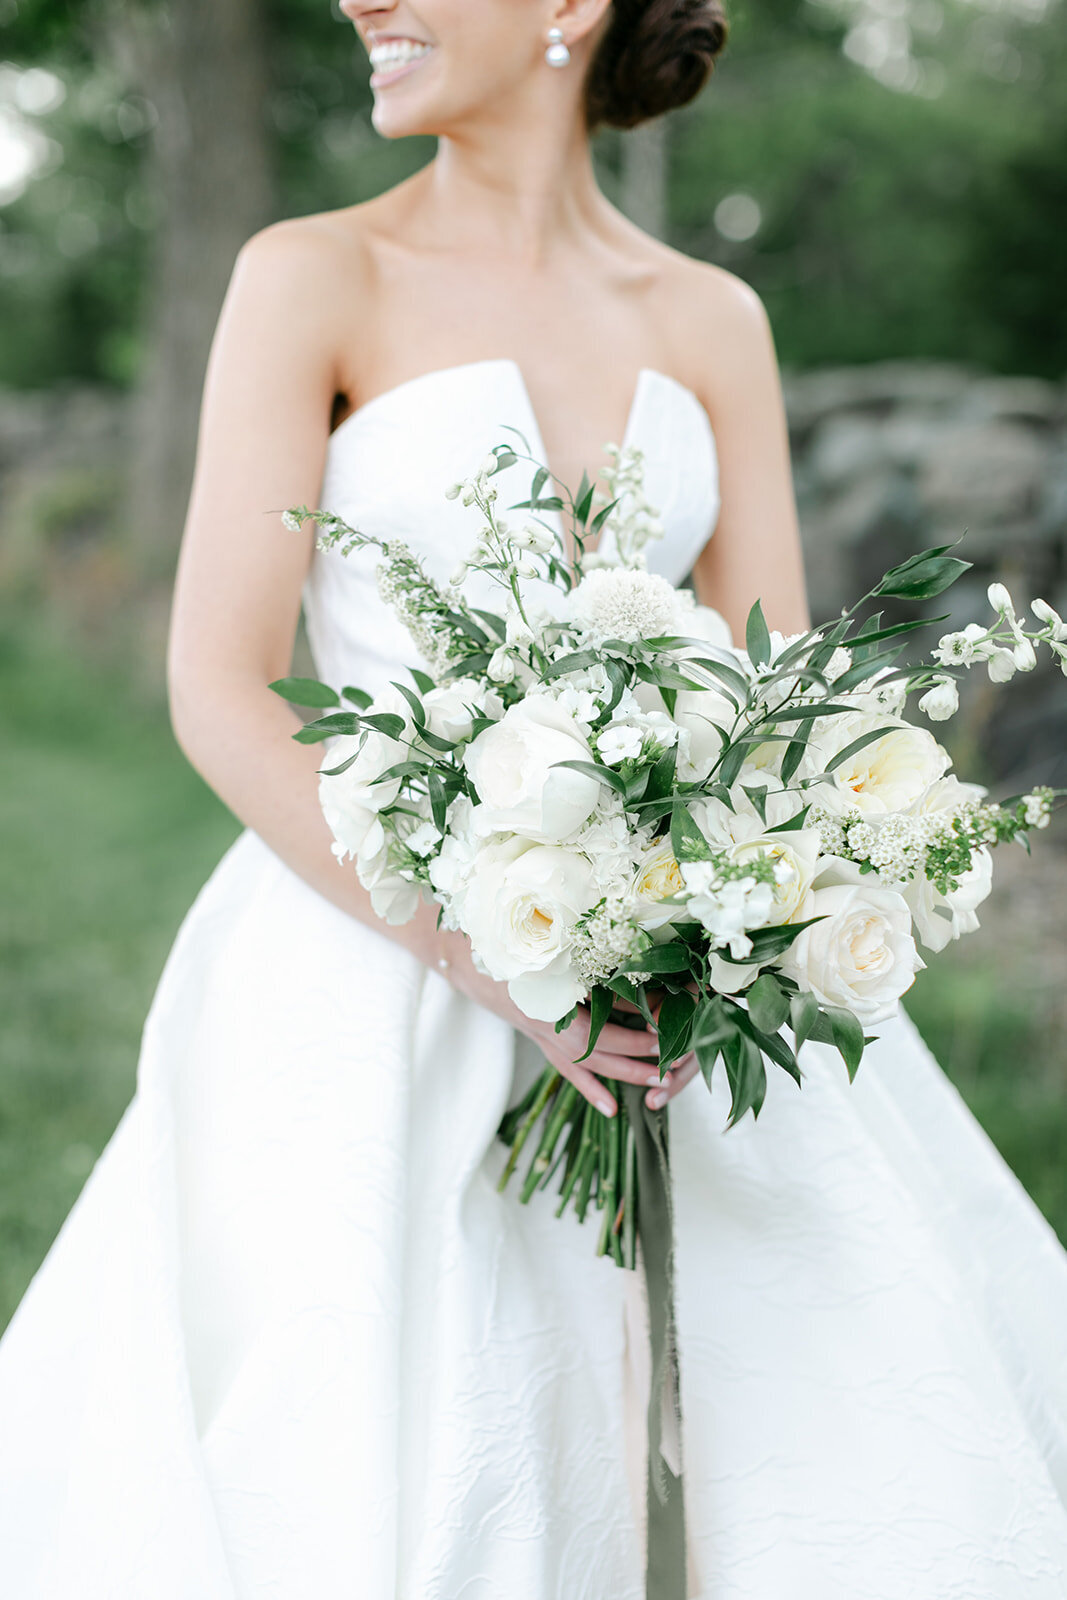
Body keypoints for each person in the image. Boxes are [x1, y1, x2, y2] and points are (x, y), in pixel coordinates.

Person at [2, 1, 1066, 1595]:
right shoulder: (312, 276)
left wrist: (736, 897)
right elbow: (220, 687)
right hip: (369, 967)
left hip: (679, 990)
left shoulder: (713, 318)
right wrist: (481, 951)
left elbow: (776, 702)